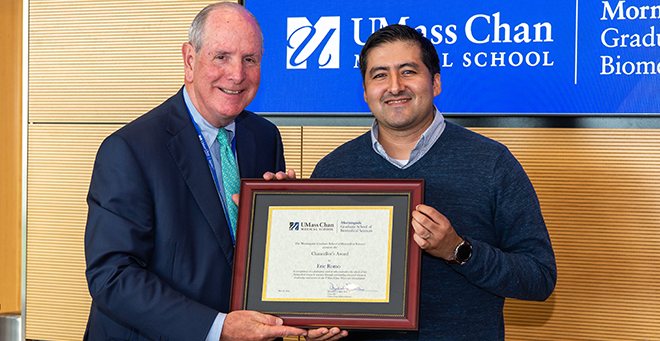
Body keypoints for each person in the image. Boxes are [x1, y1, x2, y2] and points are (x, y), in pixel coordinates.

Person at [83, 3, 344, 341]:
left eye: (250, 59)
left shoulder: (265, 138)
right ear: (190, 60)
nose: (237, 74)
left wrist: (286, 230)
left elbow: (259, 262)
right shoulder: (130, 149)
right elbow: (113, 277)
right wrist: (217, 328)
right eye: (222, 56)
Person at [310, 24, 557, 340]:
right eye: (379, 75)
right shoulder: (333, 170)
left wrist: (458, 250)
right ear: (365, 90)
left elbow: (539, 278)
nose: (395, 86)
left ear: (435, 82)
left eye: (408, 71)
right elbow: (318, 279)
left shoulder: (492, 162)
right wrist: (315, 324)